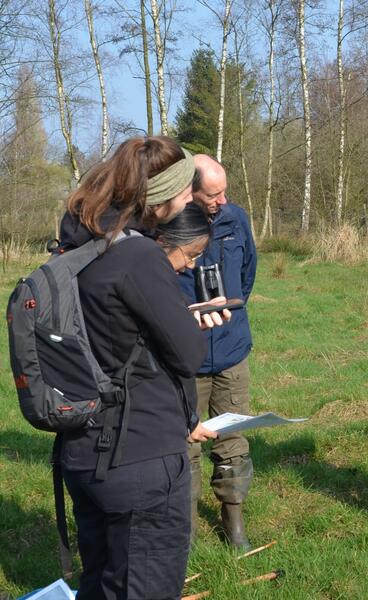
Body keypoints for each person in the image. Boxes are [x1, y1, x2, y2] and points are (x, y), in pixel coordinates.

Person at [57, 136, 221, 599]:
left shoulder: (78, 244)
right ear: (160, 198)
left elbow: (114, 332)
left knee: (100, 583)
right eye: (186, 192)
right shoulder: (138, 255)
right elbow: (188, 353)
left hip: (83, 448)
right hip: (139, 458)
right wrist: (185, 320)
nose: (190, 200)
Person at [178, 154, 258, 551]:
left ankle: (234, 523)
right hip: (185, 357)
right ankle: (187, 531)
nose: (221, 200)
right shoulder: (167, 227)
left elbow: (248, 273)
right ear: (188, 191)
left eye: (224, 191)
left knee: (232, 438)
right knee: (184, 443)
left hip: (231, 349)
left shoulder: (236, 219)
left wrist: (229, 314)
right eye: (212, 194)